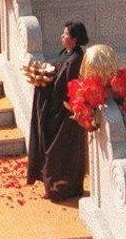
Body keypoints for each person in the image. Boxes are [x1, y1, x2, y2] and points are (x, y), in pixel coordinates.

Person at [26, 20, 89, 201]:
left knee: (60, 154)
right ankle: (53, 189)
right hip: (56, 111)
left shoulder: (76, 59)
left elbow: (65, 87)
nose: (62, 37)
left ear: (75, 39)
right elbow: (55, 73)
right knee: (52, 151)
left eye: (66, 35)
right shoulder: (65, 54)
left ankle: (62, 190)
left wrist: (46, 85)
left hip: (66, 114)